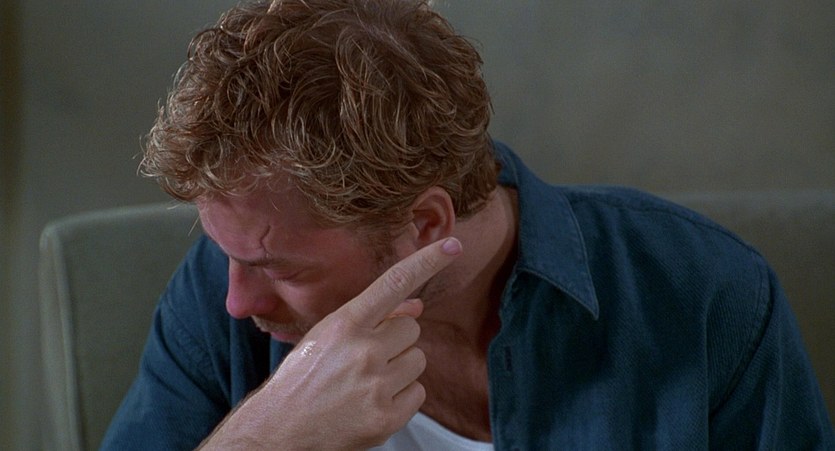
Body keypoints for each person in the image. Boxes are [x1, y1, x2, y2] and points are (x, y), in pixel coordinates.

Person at [101, 0, 834, 449]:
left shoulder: (705, 295)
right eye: (225, 252)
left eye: (280, 267)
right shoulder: (212, 301)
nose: (237, 299)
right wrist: (268, 439)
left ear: (425, 224)